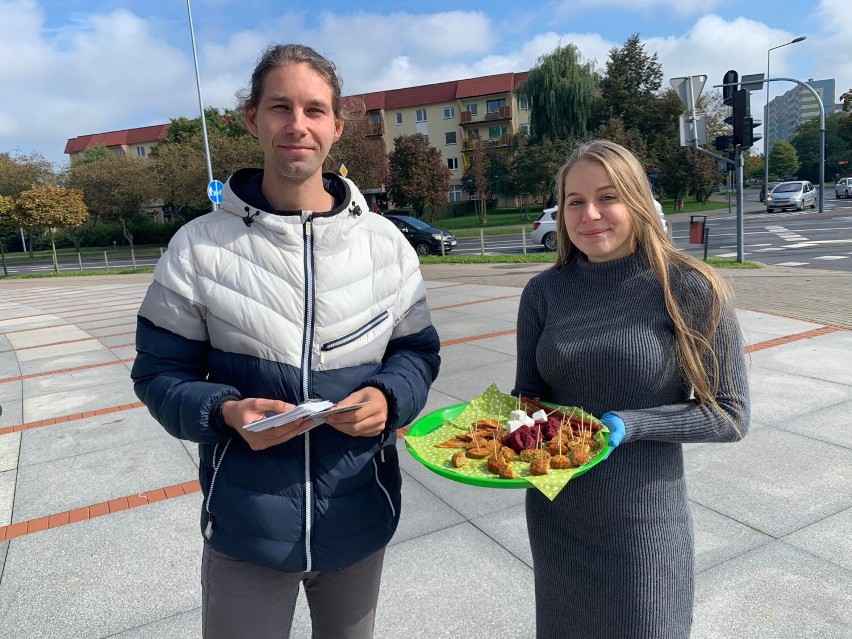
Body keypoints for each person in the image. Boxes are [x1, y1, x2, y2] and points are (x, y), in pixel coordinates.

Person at [131, 43, 440, 639]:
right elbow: (157, 374)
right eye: (280, 107)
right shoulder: (198, 248)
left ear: (337, 126)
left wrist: (389, 396)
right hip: (245, 526)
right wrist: (223, 412)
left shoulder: (386, 246)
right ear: (253, 119)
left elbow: (417, 353)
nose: (297, 125)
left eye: (315, 110)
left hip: (358, 514)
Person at [513, 140, 749, 639]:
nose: (590, 214)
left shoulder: (689, 287)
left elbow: (730, 415)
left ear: (637, 201)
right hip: (559, 516)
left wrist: (633, 424)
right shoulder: (543, 293)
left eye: (608, 197)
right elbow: (527, 402)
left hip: (643, 519)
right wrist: (491, 435)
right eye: (574, 201)